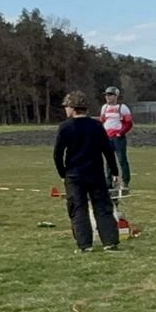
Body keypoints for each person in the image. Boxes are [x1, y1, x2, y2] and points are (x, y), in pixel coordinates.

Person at [56, 90, 122, 252]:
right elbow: (107, 150)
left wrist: (62, 173)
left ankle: (85, 244)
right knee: (102, 206)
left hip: (74, 175)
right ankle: (109, 241)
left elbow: (57, 154)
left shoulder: (65, 127)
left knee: (78, 208)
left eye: (67, 107)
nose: (65, 110)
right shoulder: (97, 126)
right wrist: (114, 171)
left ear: (73, 108)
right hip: (95, 173)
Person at [99, 86, 134, 194]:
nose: (107, 97)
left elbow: (129, 123)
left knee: (122, 160)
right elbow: (102, 121)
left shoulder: (122, 108)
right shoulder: (104, 108)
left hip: (118, 138)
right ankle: (109, 183)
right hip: (107, 137)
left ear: (116, 96)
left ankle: (125, 181)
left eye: (110, 95)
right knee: (109, 161)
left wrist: (120, 133)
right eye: (106, 95)